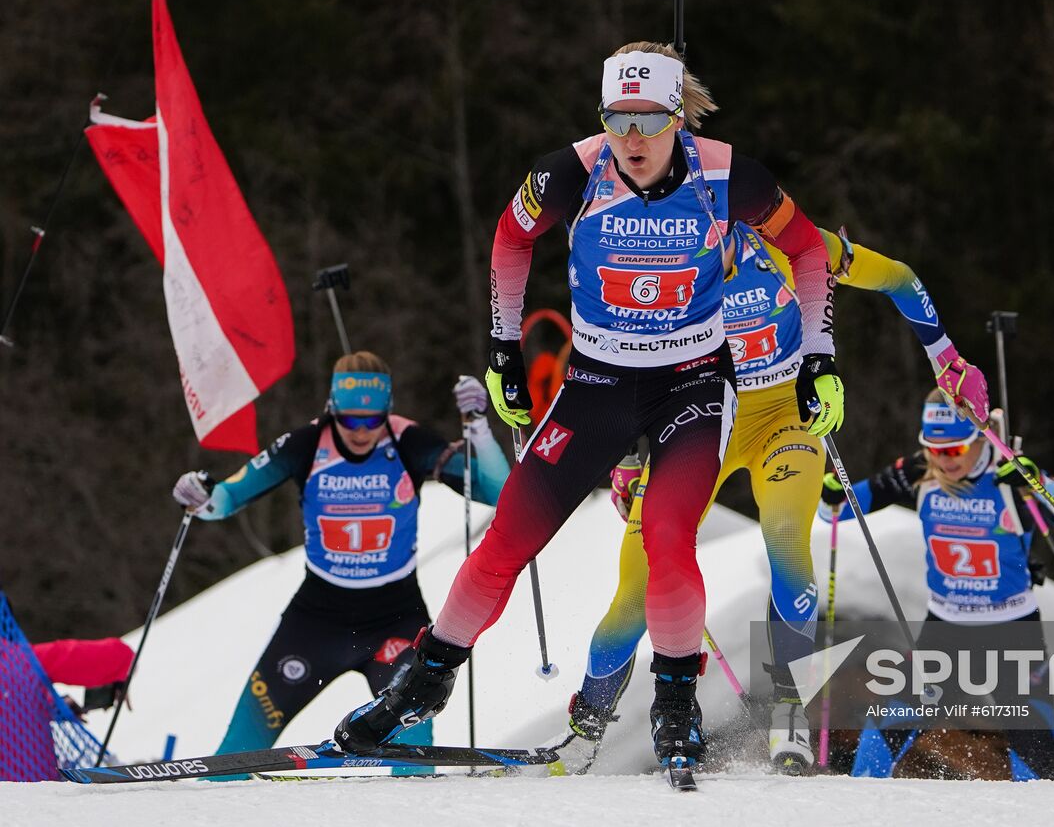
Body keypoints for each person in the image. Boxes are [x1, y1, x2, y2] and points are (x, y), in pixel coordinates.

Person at [334, 42, 848, 771]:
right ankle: (421, 684)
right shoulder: (569, 171)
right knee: (507, 540)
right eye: (617, 119)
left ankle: (676, 707)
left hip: (693, 388)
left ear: (677, 117)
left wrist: (819, 357)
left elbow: (808, 252)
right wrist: (504, 350)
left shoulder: (728, 175)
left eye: (648, 119)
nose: (632, 139)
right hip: (597, 386)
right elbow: (511, 240)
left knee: (667, 543)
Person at [550, 224, 990, 775]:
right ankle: (585, 731)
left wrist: (947, 358)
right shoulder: (657, 261)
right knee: (638, 588)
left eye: (716, 228)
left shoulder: (789, 246)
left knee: (785, 535)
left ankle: (789, 710)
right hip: (700, 418)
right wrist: (625, 459)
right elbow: (619, 363)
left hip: (784, 417)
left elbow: (900, 279)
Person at [172, 351, 508, 769]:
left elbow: (498, 492)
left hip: (396, 620)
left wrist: (479, 429)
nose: (362, 431)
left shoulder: (407, 441)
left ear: (387, 411)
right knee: (237, 752)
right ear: (332, 409)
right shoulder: (306, 444)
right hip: (315, 622)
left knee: (414, 759)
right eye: (350, 420)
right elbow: (224, 499)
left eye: (373, 420)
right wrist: (200, 496)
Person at [819, 395, 1054, 779]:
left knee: (1035, 766)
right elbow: (835, 510)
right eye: (934, 449)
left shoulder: (1009, 477)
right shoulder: (922, 472)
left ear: (981, 439)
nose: (945, 460)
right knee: (880, 737)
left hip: (1013, 634)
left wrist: (1040, 487)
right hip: (944, 633)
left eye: (955, 448)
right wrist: (832, 495)